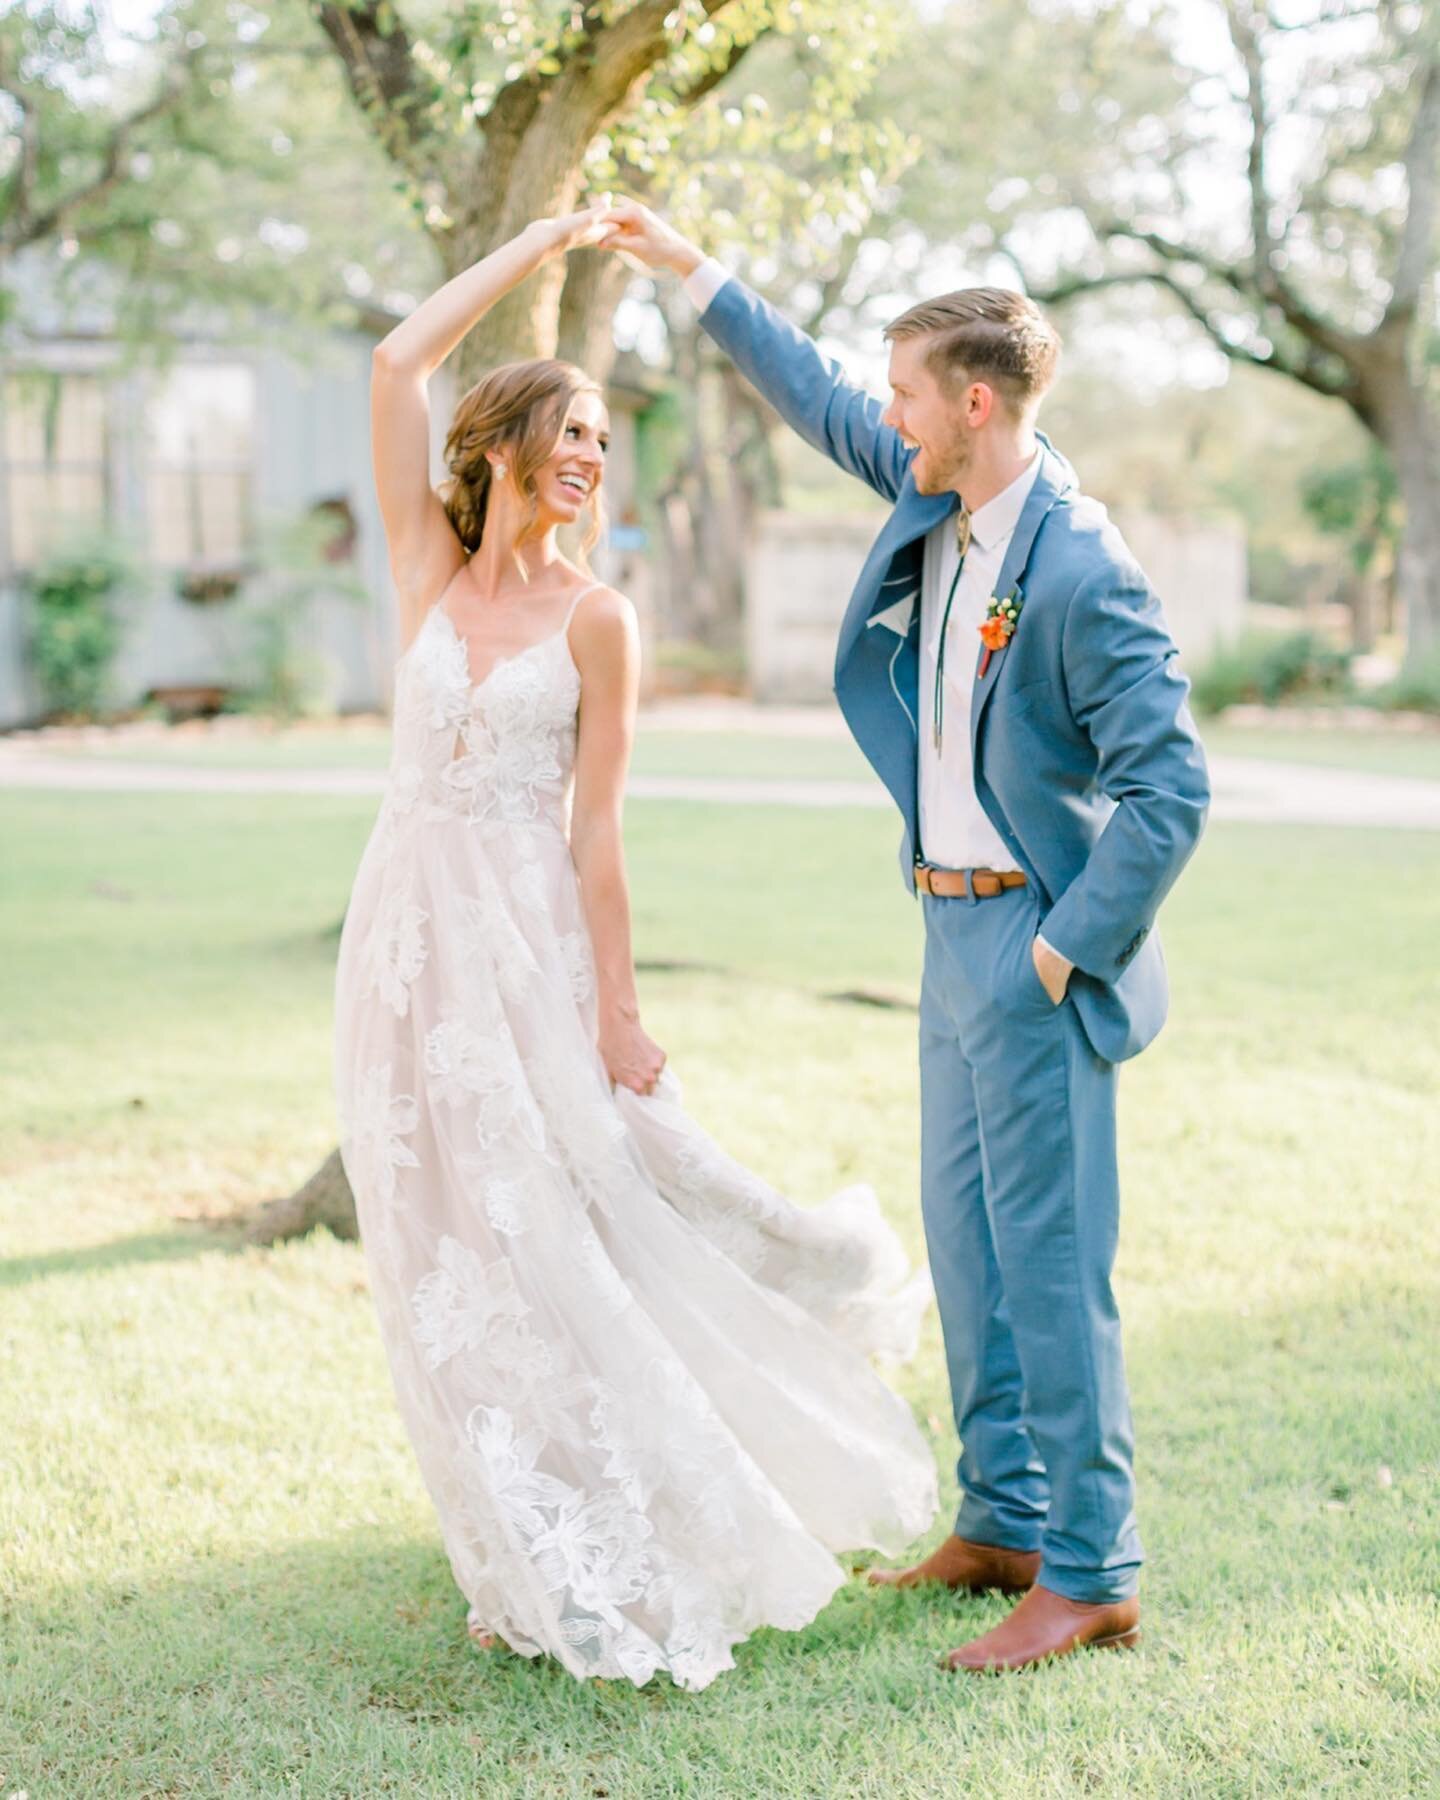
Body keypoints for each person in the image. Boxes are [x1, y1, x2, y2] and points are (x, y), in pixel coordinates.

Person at [331, 203, 937, 1693]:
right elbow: (396, 359)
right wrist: (542, 248)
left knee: (566, 1234)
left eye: (606, 436)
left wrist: (618, 1014)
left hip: (530, 958)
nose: (595, 455)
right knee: (442, 1257)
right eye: (575, 430)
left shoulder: (601, 618)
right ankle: (506, 1545)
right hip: (404, 949)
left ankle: (629, 1503)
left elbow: (599, 833)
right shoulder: (427, 563)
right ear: (501, 446)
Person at [601, 199, 1211, 1673]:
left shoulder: (1082, 567)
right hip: (941, 940)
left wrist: (1069, 948)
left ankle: (1091, 1569)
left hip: (1033, 951)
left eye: (909, 395)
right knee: (971, 1246)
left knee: (1054, 1265)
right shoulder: (938, 489)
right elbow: (814, 392)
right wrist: (695, 274)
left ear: (976, 405)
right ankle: (1000, 1518)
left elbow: (1169, 786)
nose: (889, 417)